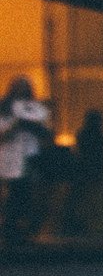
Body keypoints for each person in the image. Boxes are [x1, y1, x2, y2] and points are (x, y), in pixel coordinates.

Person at [1, 78, 54, 244]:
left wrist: (36, 126)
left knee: (26, 193)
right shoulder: (5, 110)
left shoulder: (35, 110)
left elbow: (47, 134)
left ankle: (21, 227)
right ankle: (10, 226)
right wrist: (17, 123)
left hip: (30, 157)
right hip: (9, 158)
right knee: (13, 193)